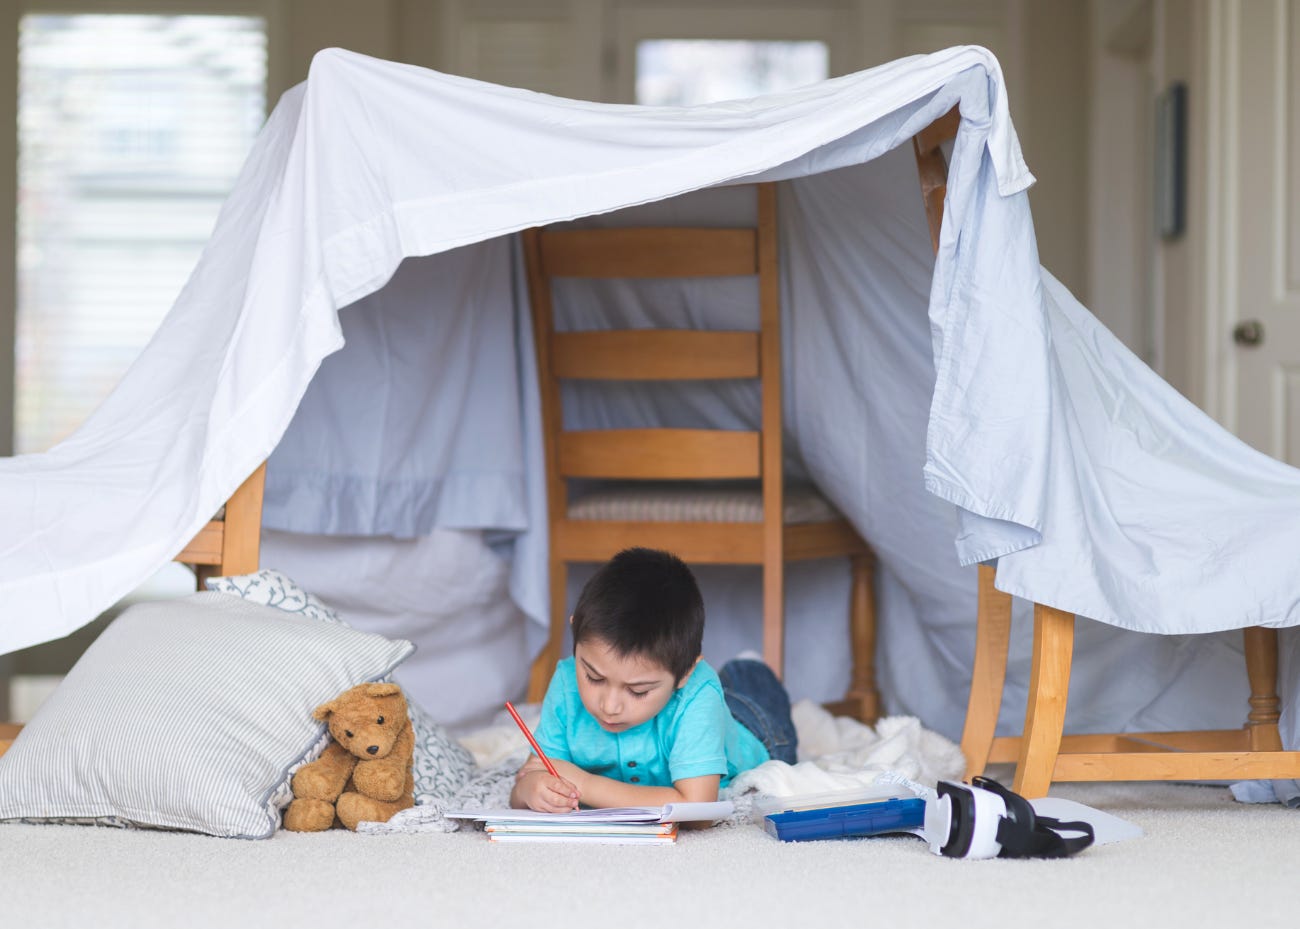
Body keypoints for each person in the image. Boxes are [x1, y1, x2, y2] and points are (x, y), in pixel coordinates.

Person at [510, 547, 798, 813]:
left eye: (637, 691)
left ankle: (747, 667)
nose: (609, 706)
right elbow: (533, 775)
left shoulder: (697, 691)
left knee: (749, 687)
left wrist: (584, 785)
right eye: (594, 678)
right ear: (576, 636)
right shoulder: (566, 679)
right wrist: (530, 790)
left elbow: (697, 809)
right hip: (693, 707)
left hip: (754, 731)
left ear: (686, 672)